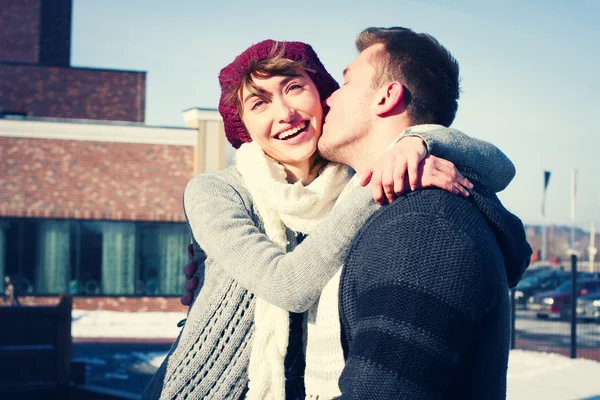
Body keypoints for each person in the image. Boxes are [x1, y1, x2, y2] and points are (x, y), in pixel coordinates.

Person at [144, 38, 517, 400]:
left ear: (322, 96)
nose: (284, 112)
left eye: (293, 87)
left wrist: (417, 141)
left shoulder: (357, 180)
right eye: (259, 103)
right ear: (244, 127)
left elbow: (499, 167)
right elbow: (288, 285)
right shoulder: (217, 191)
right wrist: (375, 182)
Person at [314, 27, 531, 399]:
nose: (330, 98)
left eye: (346, 82)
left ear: (387, 96)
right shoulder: (390, 214)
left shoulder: (426, 227)